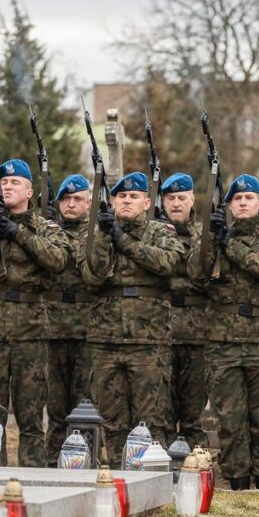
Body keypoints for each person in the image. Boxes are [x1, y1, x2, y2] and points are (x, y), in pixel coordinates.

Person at [188, 174, 259, 490]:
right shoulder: (217, 238)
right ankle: (238, 484)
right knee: (231, 422)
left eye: (249, 198)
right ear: (230, 206)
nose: (243, 203)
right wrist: (209, 237)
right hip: (223, 345)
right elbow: (195, 273)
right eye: (237, 199)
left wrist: (229, 245)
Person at [0, 158, 71, 467]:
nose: (7, 186)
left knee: (30, 414)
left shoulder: (45, 227)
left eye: (15, 182)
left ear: (29, 190)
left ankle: (32, 477)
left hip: (30, 329)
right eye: (3, 182)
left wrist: (17, 233)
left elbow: (58, 260)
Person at [81, 172, 186, 468]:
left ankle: (150, 480)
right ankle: (117, 476)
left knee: (150, 420)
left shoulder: (161, 232)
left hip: (148, 343)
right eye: (121, 197)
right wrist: (103, 237)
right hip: (107, 341)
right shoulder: (97, 233)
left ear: (146, 202)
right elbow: (91, 276)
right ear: (113, 201)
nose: (127, 201)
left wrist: (123, 240)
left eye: (133, 196)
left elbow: (168, 263)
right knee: (112, 420)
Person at [42, 174, 98, 464]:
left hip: (87, 329)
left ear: (89, 202)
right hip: (52, 328)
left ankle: (84, 462)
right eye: (66, 199)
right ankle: (53, 463)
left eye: (78, 199)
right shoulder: (47, 232)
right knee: (55, 407)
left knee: (85, 404)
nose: (72, 204)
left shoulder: (97, 234)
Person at [160, 172, 210, 448]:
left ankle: (196, 471)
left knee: (193, 416)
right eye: (170, 199)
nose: (176, 204)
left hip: (196, 334)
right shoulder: (153, 234)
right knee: (163, 413)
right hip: (162, 333)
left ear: (192, 199)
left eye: (181, 198)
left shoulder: (205, 235)